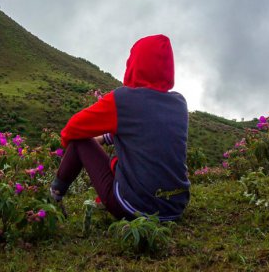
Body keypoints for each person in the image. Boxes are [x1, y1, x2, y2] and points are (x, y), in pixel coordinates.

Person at [50, 34, 190, 221]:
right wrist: (103, 138)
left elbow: (72, 129)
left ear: (135, 63)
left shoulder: (123, 99)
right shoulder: (179, 103)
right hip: (175, 207)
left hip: (134, 209)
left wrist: (69, 150)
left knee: (79, 141)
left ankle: (54, 197)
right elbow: (146, 129)